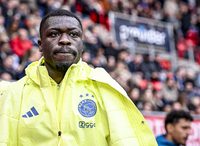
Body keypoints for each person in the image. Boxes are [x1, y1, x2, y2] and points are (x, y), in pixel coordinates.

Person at [0, 9, 157, 145]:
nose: (64, 40)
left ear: (81, 43)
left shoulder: (105, 88)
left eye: (73, 34)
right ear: (40, 44)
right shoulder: (13, 94)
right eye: (54, 34)